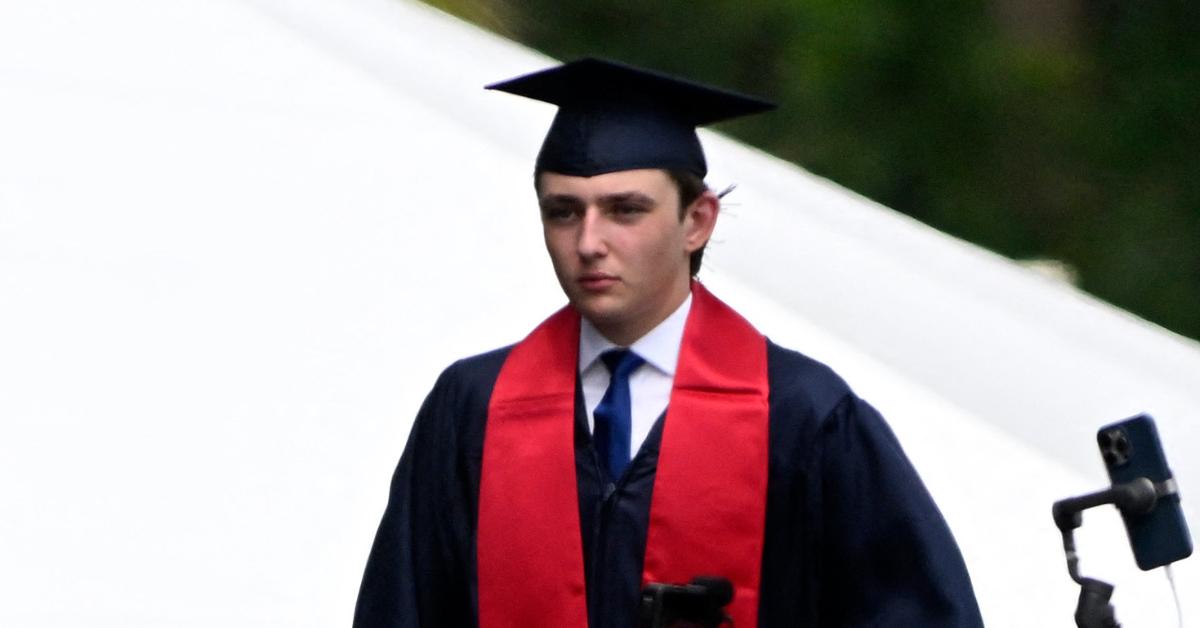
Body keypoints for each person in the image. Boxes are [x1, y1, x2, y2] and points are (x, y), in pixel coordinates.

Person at [353, 58, 984, 628]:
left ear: (696, 221)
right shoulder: (474, 410)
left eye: (625, 210)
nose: (589, 242)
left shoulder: (800, 415)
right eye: (564, 211)